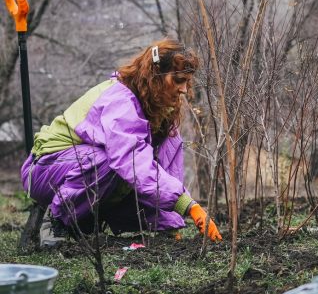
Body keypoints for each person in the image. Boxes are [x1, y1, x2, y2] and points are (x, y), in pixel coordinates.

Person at [21, 39, 222, 246]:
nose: (184, 90)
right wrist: (189, 206)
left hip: (83, 173)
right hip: (45, 170)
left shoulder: (161, 112)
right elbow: (132, 162)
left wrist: (170, 225)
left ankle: (84, 220)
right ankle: (57, 220)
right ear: (155, 75)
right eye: (179, 80)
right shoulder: (120, 101)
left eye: (188, 82)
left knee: (133, 180)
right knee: (108, 162)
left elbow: (166, 170)